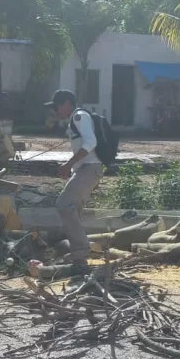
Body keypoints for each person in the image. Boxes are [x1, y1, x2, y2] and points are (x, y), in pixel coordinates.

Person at [45, 89, 103, 271]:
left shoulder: (79, 117)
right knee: (74, 209)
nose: (56, 112)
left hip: (89, 169)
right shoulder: (75, 119)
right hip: (86, 170)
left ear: (66, 104)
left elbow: (91, 142)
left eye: (57, 107)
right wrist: (72, 168)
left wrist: (69, 164)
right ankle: (80, 259)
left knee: (64, 204)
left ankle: (80, 250)